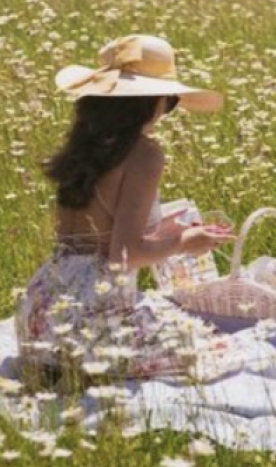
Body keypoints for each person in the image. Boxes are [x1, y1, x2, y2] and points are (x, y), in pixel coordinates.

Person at [15, 34, 238, 383]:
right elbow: (125, 255)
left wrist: (163, 229)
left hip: (40, 313)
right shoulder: (144, 154)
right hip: (94, 316)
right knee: (217, 348)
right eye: (171, 101)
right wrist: (186, 241)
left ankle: (57, 368)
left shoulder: (81, 148)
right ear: (151, 102)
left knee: (177, 324)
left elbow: (95, 235)